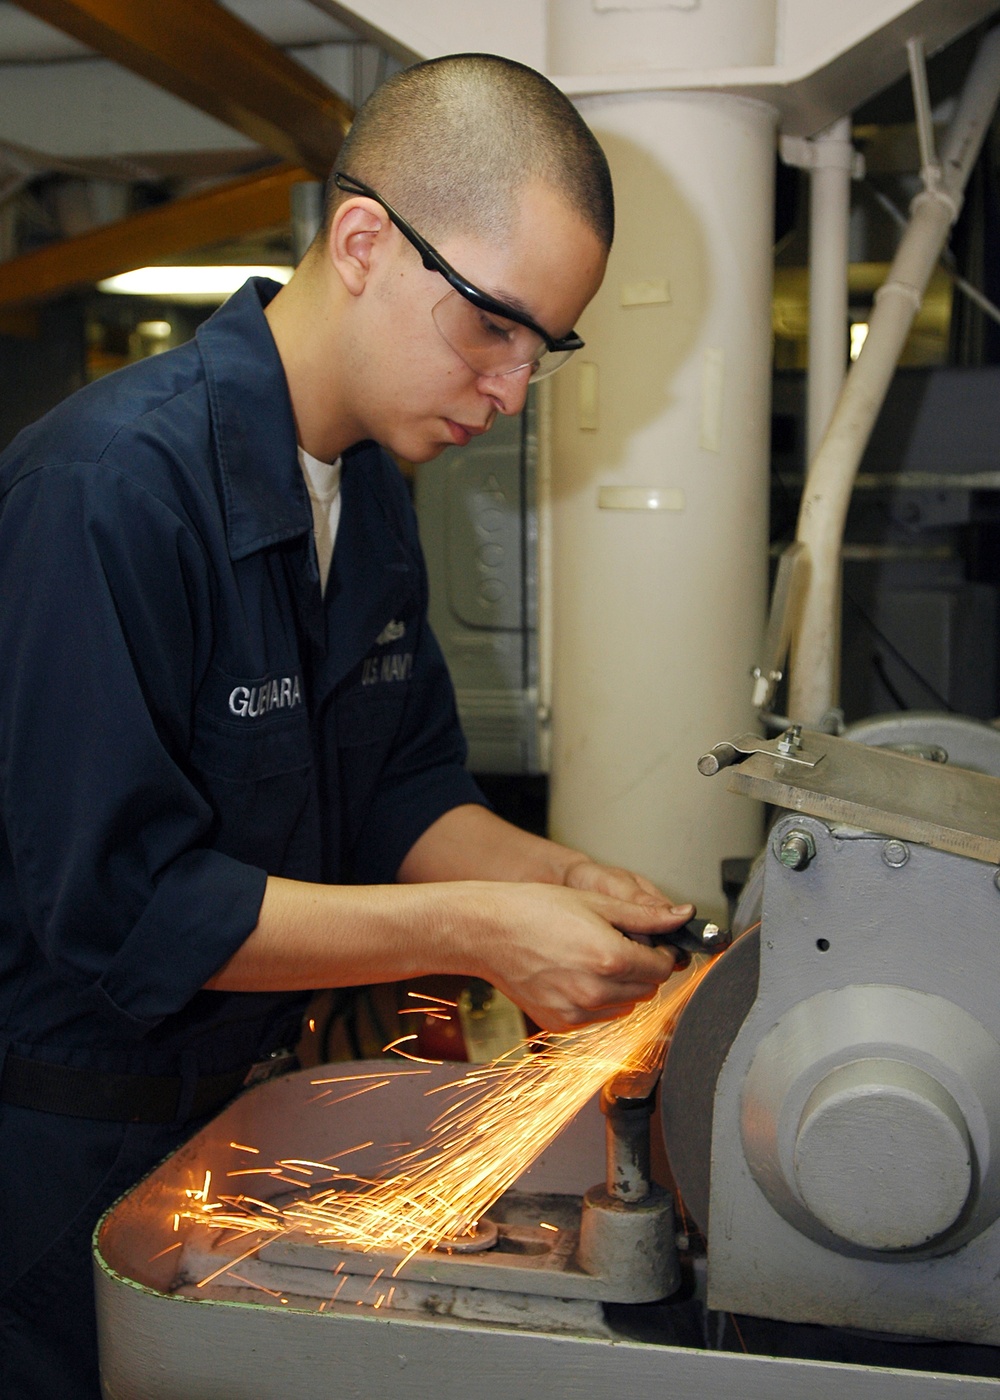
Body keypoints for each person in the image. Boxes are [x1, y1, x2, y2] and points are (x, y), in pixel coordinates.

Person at [0, 53, 692, 1398]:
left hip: (245, 1128)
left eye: (543, 347)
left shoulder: (365, 489)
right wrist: (481, 930)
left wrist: (550, 879)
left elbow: (400, 790)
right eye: (493, 325)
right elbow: (134, 910)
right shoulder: (109, 494)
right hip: (63, 1168)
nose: (510, 392)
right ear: (364, 240)